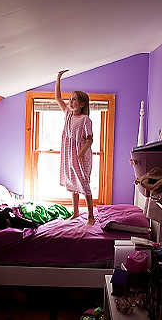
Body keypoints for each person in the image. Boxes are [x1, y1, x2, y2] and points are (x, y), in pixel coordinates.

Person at [55, 70, 95, 225]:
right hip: (68, 151)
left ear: (82, 103)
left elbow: (90, 140)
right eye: (70, 99)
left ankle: (91, 216)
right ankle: (76, 212)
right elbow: (58, 97)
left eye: (75, 100)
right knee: (72, 181)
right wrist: (58, 78)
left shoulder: (85, 119)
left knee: (83, 182)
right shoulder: (68, 114)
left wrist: (80, 153)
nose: (71, 102)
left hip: (80, 153)